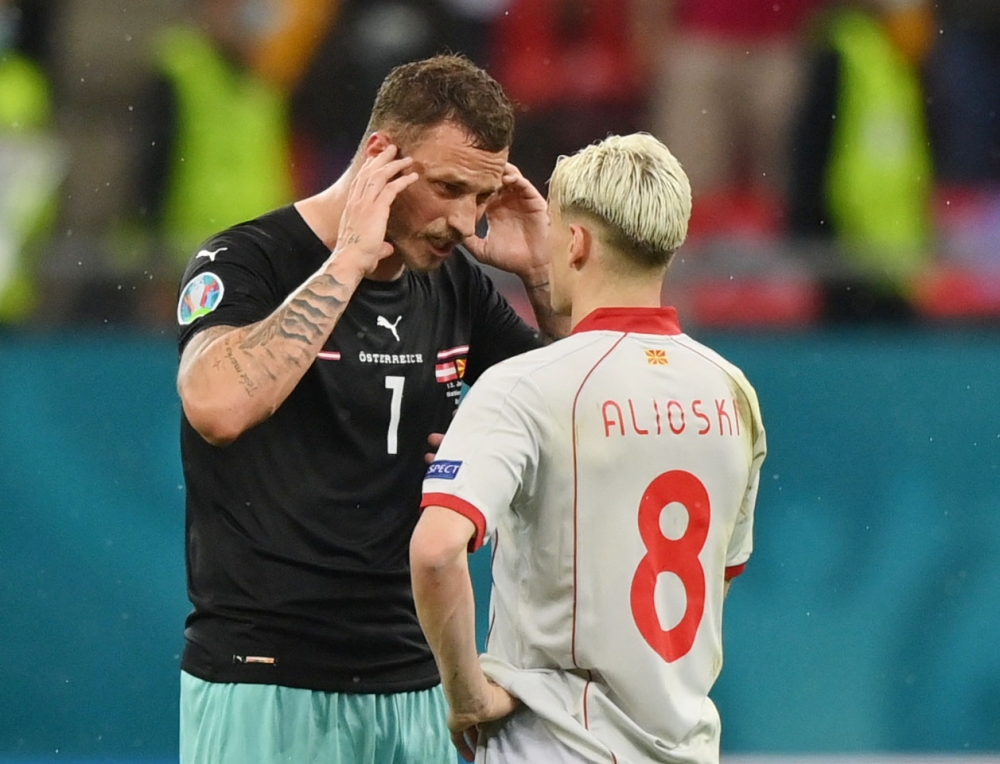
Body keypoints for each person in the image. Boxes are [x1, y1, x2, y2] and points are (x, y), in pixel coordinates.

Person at [174, 53, 567, 764]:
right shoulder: (245, 261)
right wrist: (348, 261)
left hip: (419, 686)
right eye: (448, 187)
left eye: (478, 198)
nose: (463, 223)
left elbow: (580, 420)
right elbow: (216, 406)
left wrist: (542, 277)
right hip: (266, 677)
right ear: (381, 156)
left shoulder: (453, 286)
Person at [412, 133, 768, 763]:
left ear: (574, 243)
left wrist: (467, 697)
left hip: (555, 746)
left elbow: (437, 551)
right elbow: (717, 579)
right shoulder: (731, 390)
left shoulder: (524, 387)